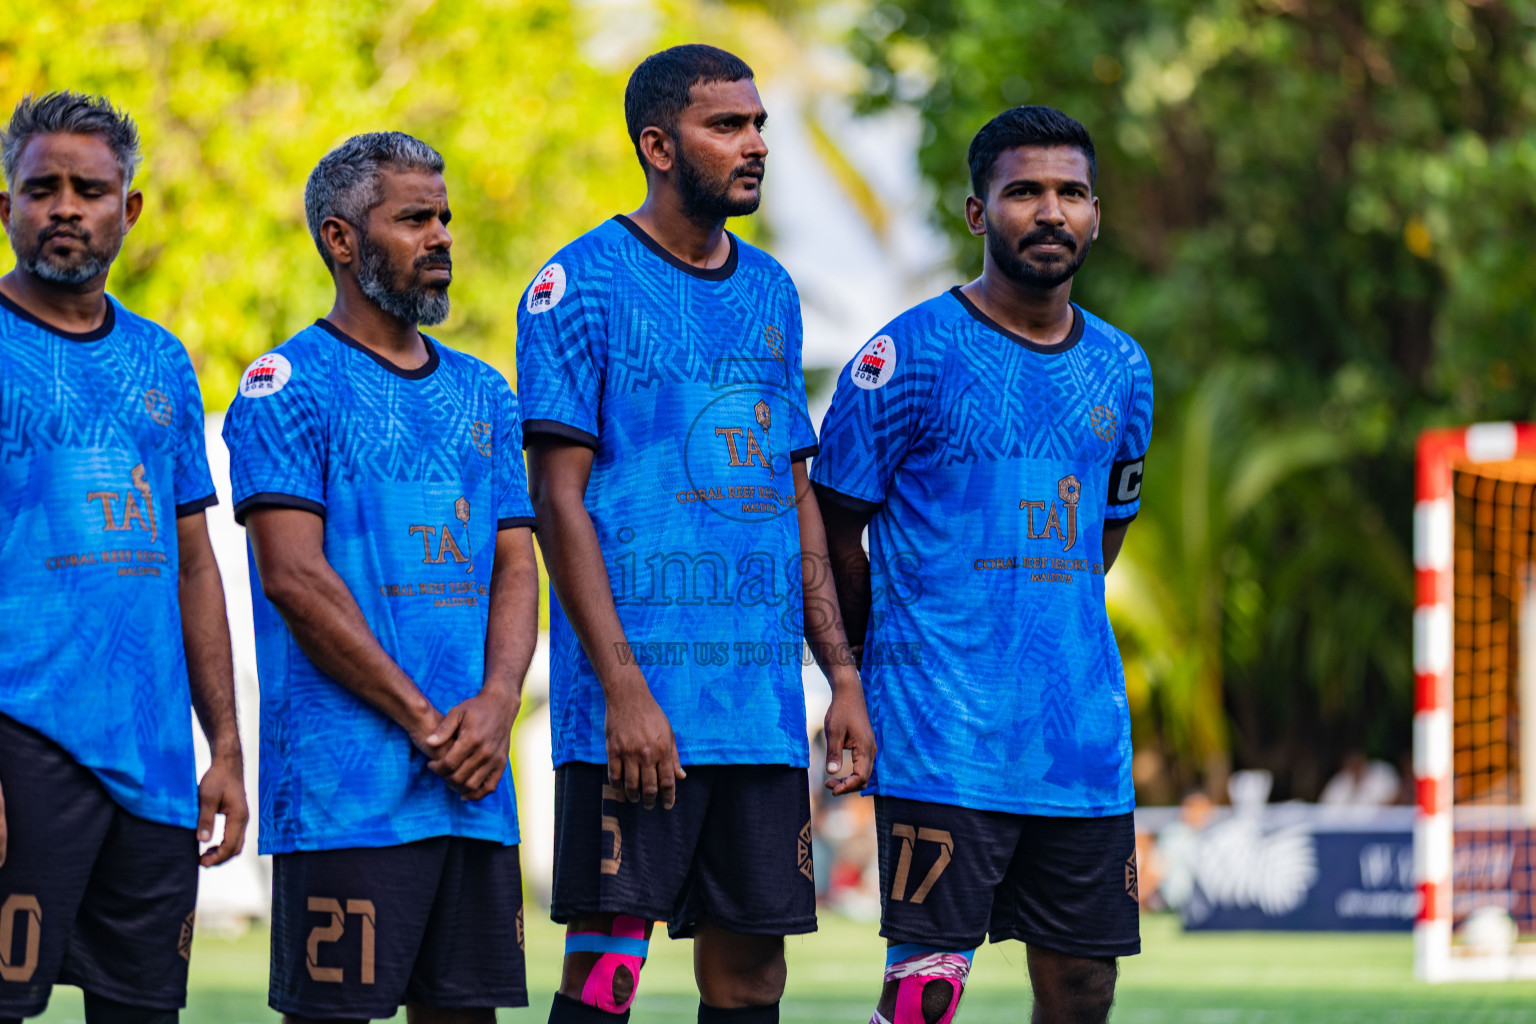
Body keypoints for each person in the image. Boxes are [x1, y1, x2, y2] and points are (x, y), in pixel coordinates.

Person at [517, 44, 876, 1024]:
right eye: (727, 125)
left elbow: (793, 496)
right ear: (659, 145)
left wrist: (841, 677)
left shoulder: (771, 290)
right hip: (636, 713)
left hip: (758, 711)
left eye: (758, 123)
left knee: (753, 980)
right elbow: (556, 500)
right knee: (607, 978)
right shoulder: (577, 284)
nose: (755, 143)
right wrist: (624, 689)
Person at [813, 105, 1154, 1024]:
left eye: (1071, 193)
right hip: (942, 735)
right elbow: (830, 532)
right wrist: (855, 675)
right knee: (926, 993)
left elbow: (1100, 541)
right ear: (977, 212)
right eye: (1023, 191)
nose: (1050, 211)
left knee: (1083, 992)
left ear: (1095, 215)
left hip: (1079, 744)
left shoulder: (1124, 369)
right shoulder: (905, 356)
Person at [222, 132, 539, 1023]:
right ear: (341, 238)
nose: (441, 236)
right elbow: (294, 578)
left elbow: (517, 563)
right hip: (344, 795)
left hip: (473, 790)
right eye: (413, 219)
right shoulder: (288, 385)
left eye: (444, 217)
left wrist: (498, 704)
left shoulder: (485, 390)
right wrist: (429, 723)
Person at [0, 91, 248, 1024]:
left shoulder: (162, 360)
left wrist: (225, 748)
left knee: (141, 1012)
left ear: (129, 208)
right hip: (24, 739)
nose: (66, 207)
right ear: (7, 206)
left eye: (90, 190)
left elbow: (195, 563)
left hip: (153, 763)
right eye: (43, 188)